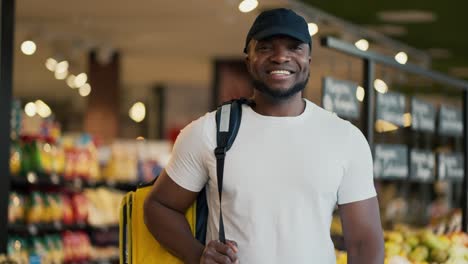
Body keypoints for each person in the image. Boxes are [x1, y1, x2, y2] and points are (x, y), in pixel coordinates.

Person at [144, 8, 384, 264]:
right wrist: (198, 255)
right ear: (248, 59)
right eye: (266, 47)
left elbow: (364, 241)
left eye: (294, 48)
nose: (281, 57)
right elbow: (159, 207)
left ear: (309, 61)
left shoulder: (344, 138)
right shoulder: (211, 132)